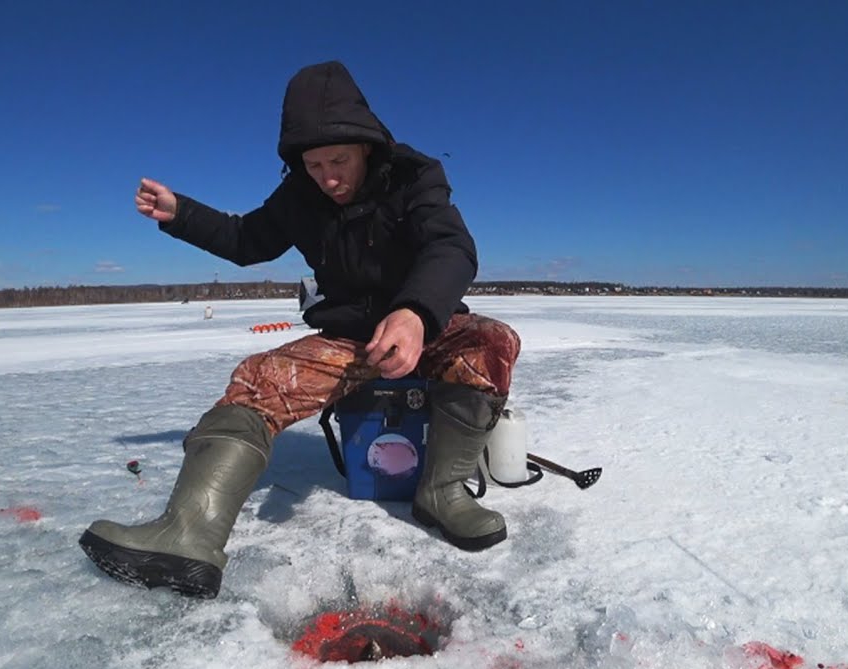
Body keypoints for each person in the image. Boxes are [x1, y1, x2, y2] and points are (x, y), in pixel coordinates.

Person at [79, 60, 521, 599]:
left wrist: (414, 314)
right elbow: (246, 241)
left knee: (491, 341)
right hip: (349, 338)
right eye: (314, 165)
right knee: (258, 379)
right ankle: (188, 535)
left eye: (338, 160)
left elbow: (450, 247)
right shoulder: (300, 198)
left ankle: (442, 490)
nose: (328, 177)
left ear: (367, 148)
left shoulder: (414, 177)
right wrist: (180, 214)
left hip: (425, 326)